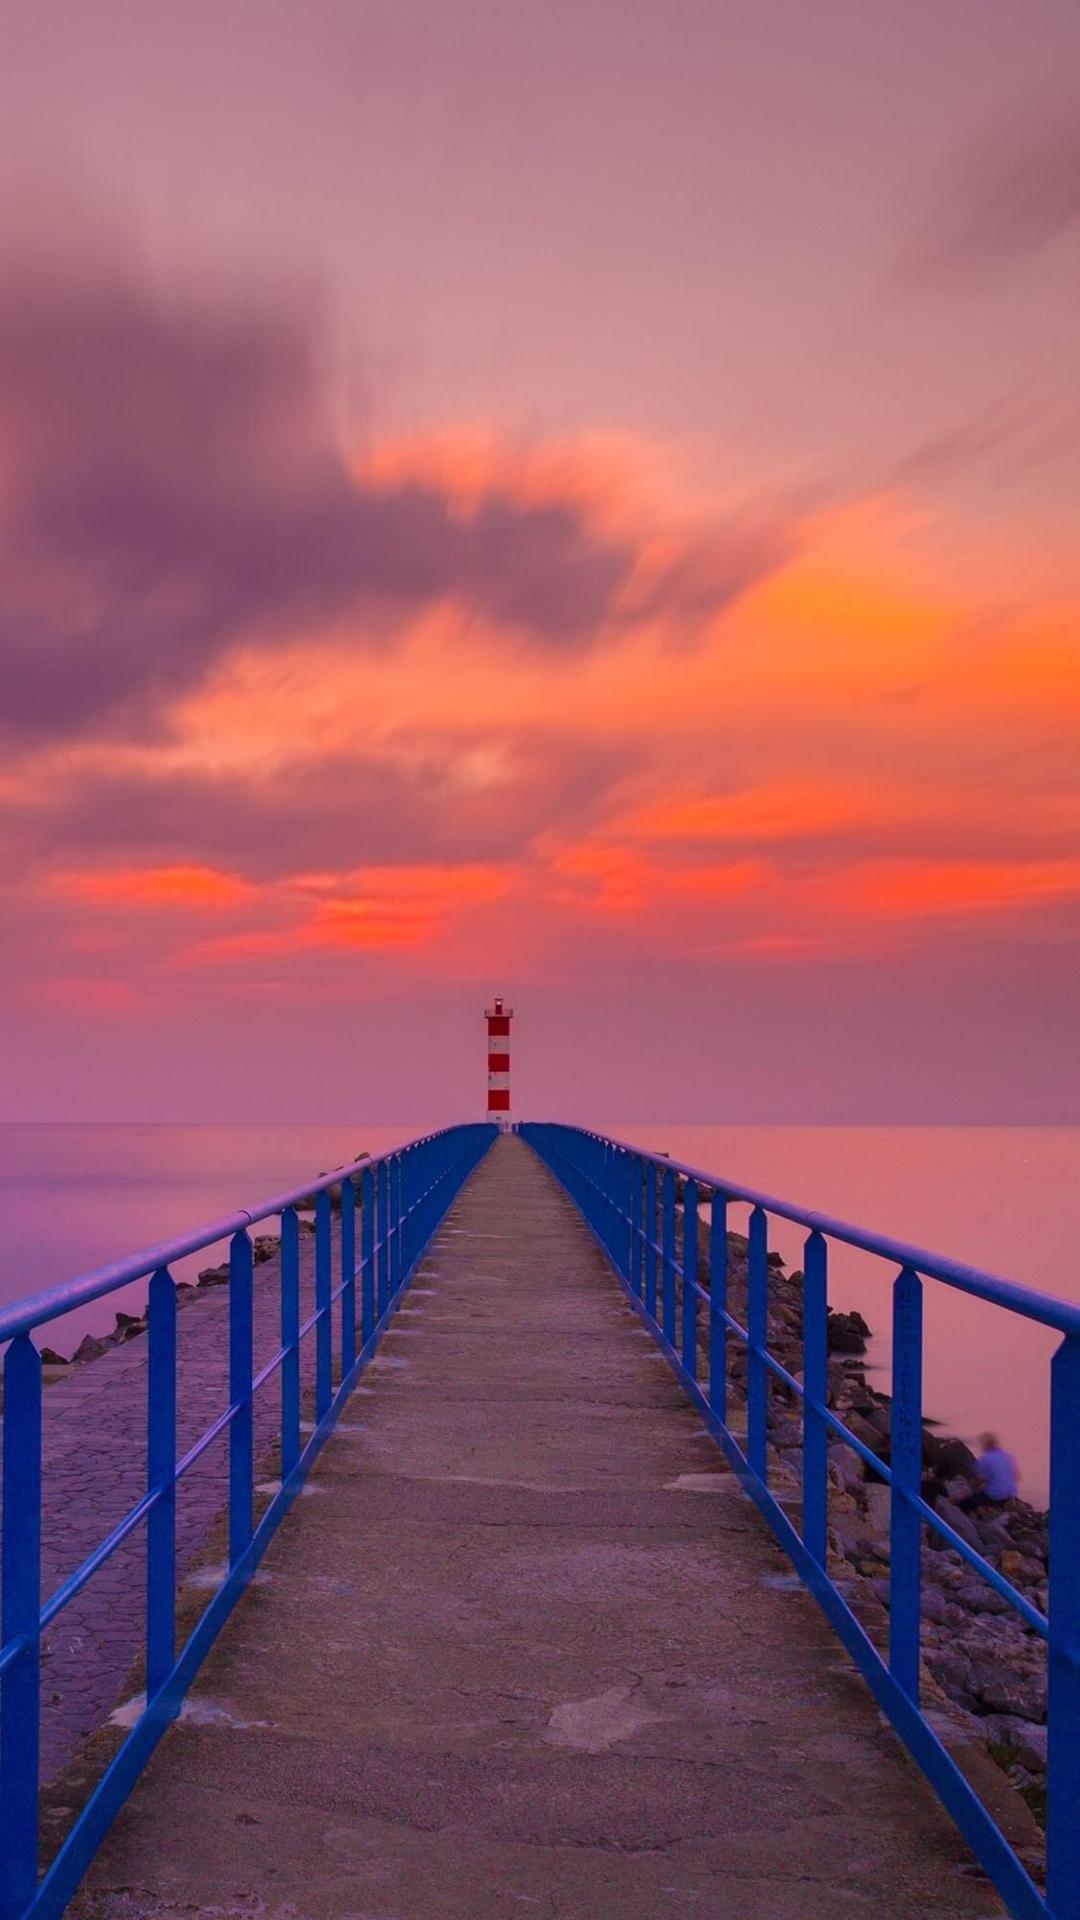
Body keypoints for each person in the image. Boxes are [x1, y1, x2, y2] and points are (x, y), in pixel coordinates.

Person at [958, 1432, 1018, 1513]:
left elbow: (979, 1481)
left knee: (964, 1504)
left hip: (995, 1497)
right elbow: (1016, 1476)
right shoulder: (1007, 1456)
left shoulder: (985, 1458)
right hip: (1010, 1496)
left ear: (985, 1445)